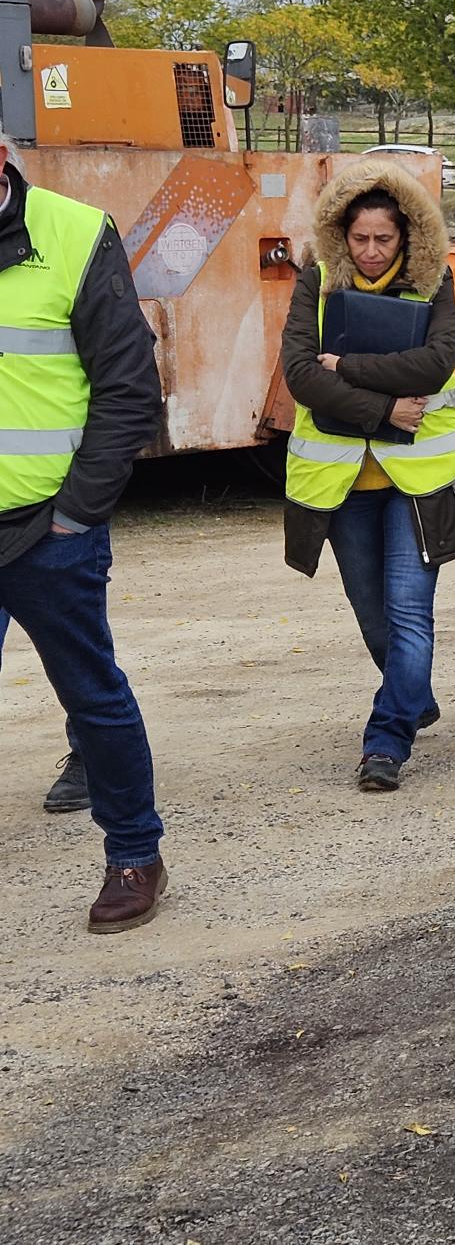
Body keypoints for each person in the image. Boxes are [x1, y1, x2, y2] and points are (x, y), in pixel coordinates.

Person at [0, 129, 170, 931]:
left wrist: (77, 513)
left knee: (92, 696)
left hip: (47, 531)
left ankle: (135, 853)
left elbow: (128, 387)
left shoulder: (73, 233)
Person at [281, 161, 455, 793]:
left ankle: (385, 742)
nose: (369, 251)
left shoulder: (434, 281)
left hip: (417, 481)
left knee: (410, 614)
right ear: (342, 234)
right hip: (341, 482)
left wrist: (350, 365)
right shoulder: (315, 281)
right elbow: (302, 376)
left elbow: (437, 361)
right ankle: (412, 693)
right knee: (371, 616)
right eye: (359, 238)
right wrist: (385, 406)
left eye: (382, 239)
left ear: (406, 237)